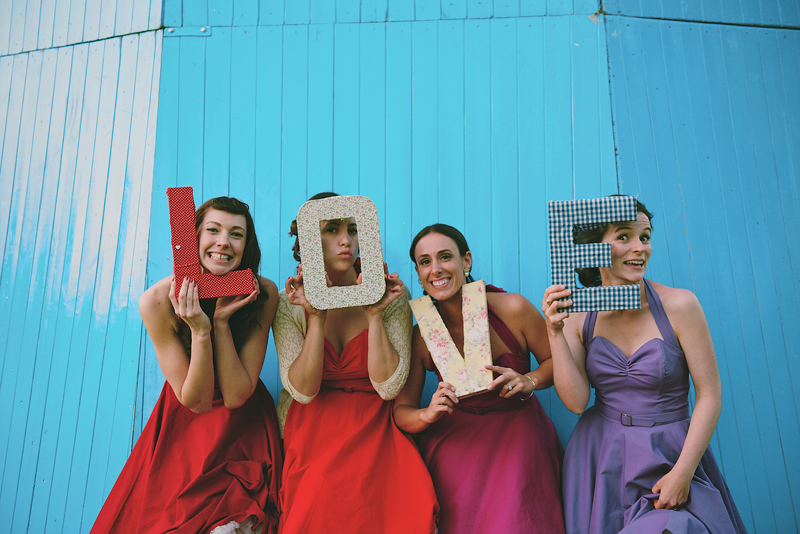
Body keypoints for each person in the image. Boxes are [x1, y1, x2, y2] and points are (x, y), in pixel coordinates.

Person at [542, 199, 747, 534]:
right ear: (593, 248)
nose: (640, 247)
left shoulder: (680, 305)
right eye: (624, 236)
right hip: (601, 458)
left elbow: (710, 395)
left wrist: (683, 472)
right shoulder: (578, 315)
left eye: (645, 236)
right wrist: (554, 331)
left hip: (668, 454)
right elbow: (577, 402)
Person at [92, 197, 282, 534]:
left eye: (236, 234)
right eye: (213, 230)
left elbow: (237, 396)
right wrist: (200, 330)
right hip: (186, 419)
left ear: (247, 246)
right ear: (192, 238)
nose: (223, 242)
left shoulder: (264, 292)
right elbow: (197, 401)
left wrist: (221, 324)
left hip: (244, 425)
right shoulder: (155, 301)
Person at [274, 193, 438, 534]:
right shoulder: (289, 302)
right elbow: (303, 391)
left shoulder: (391, 295)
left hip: (377, 422)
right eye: (332, 229)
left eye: (352, 229)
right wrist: (316, 317)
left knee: (401, 507)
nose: (346, 240)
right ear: (309, 241)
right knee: (316, 504)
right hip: (312, 424)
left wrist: (374, 315)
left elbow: (388, 386)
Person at [394, 224, 565, 534]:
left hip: (517, 435)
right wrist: (427, 413)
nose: (436, 269)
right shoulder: (422, 335)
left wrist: (529, 380)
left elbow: (556, 362)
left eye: (445, 257)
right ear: (418, 274)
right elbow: (401, 412)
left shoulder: (513, 308)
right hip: (455, 443)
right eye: (425, 262)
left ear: (466, 261)